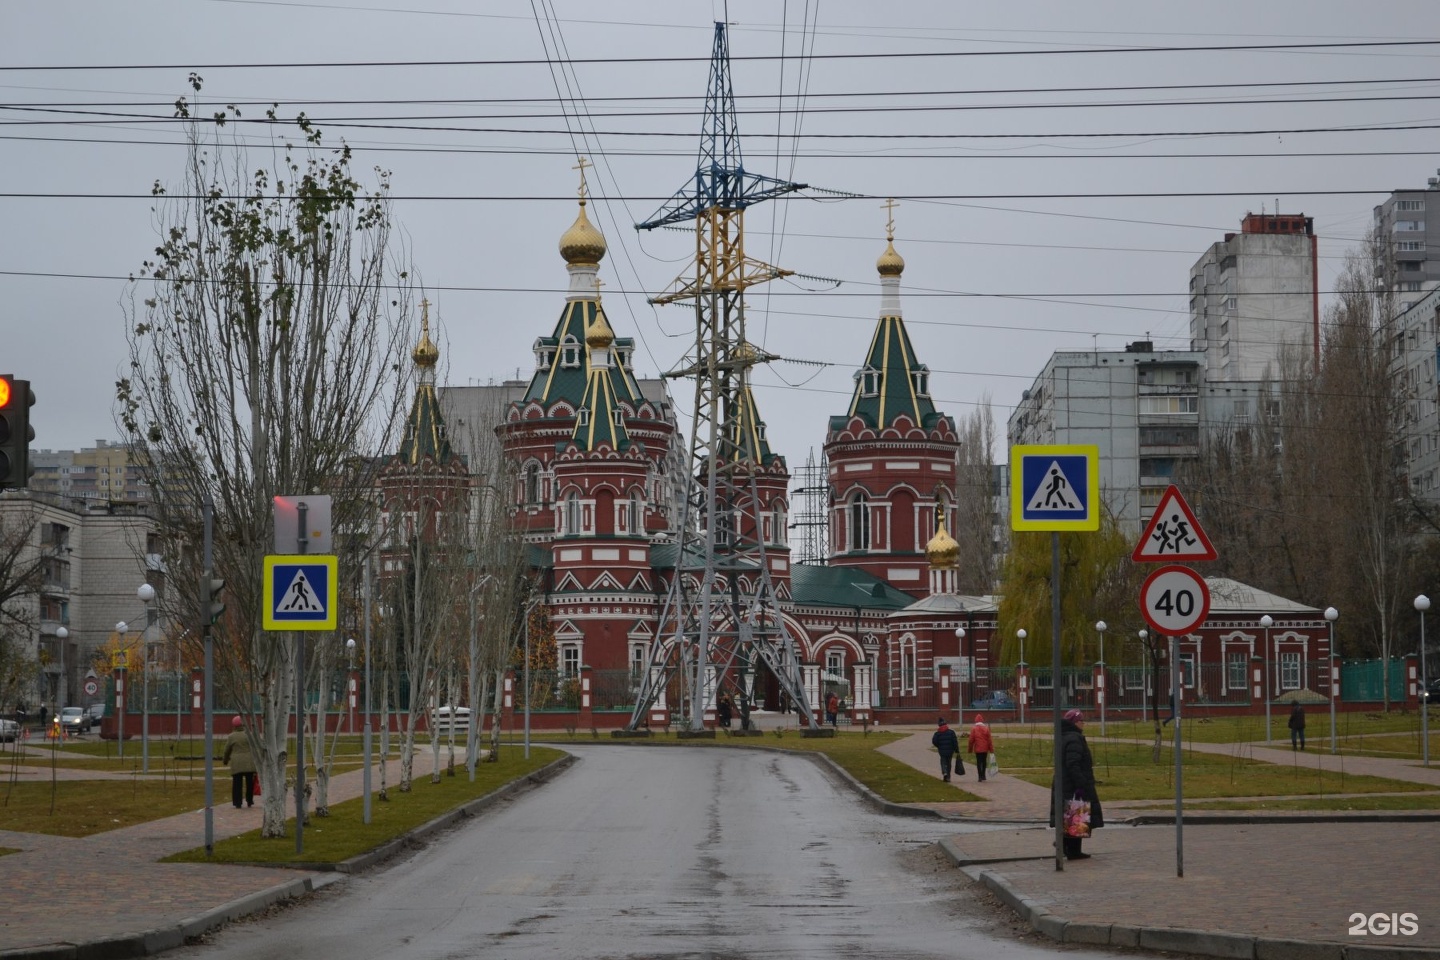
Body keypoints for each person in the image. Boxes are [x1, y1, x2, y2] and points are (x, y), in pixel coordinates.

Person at [1058, 708, 1103, 860]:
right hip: (1074, 785)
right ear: (1075, 723)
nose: (1083, 723)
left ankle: (1070, 849)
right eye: (1081, 721)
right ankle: (1071, 850)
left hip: (1068, 783)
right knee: (1076, 816)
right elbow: (1073, 764)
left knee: (1074, 817)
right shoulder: (1074, 739)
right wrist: (1082, 783)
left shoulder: (1066, 737)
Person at [223, 714, 257, 809]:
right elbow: (254, 748)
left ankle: (237, 802)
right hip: (249, 763)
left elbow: (227, 750)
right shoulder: (249, 735)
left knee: (237, 783)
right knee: (249, 783)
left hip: (237, 763)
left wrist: (225, 760)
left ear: (234, 725)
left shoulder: (231, 737)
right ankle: (249, 800)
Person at [931, 717, 963, 782]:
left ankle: (944, 772)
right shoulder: (951, 732)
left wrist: (939, 746)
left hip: (942, 751)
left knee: (943, 762)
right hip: (950, 751)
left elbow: (934, 741)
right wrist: (956, 750)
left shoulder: (937, 733)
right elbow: (955, 742)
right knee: (949, 763)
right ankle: (948, 776)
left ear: (939, 725)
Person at [968, 713, 994, 783]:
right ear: (982, 721)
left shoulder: (974, 729)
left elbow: (971, 740)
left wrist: (970, 749)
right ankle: (983, 775)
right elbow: (989, 740)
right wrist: (991, 749)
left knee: (979, 762)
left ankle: (979, 777)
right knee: (984, 761)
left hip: (978, 748)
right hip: (985, 748)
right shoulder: (986, 728)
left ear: (976, 721)